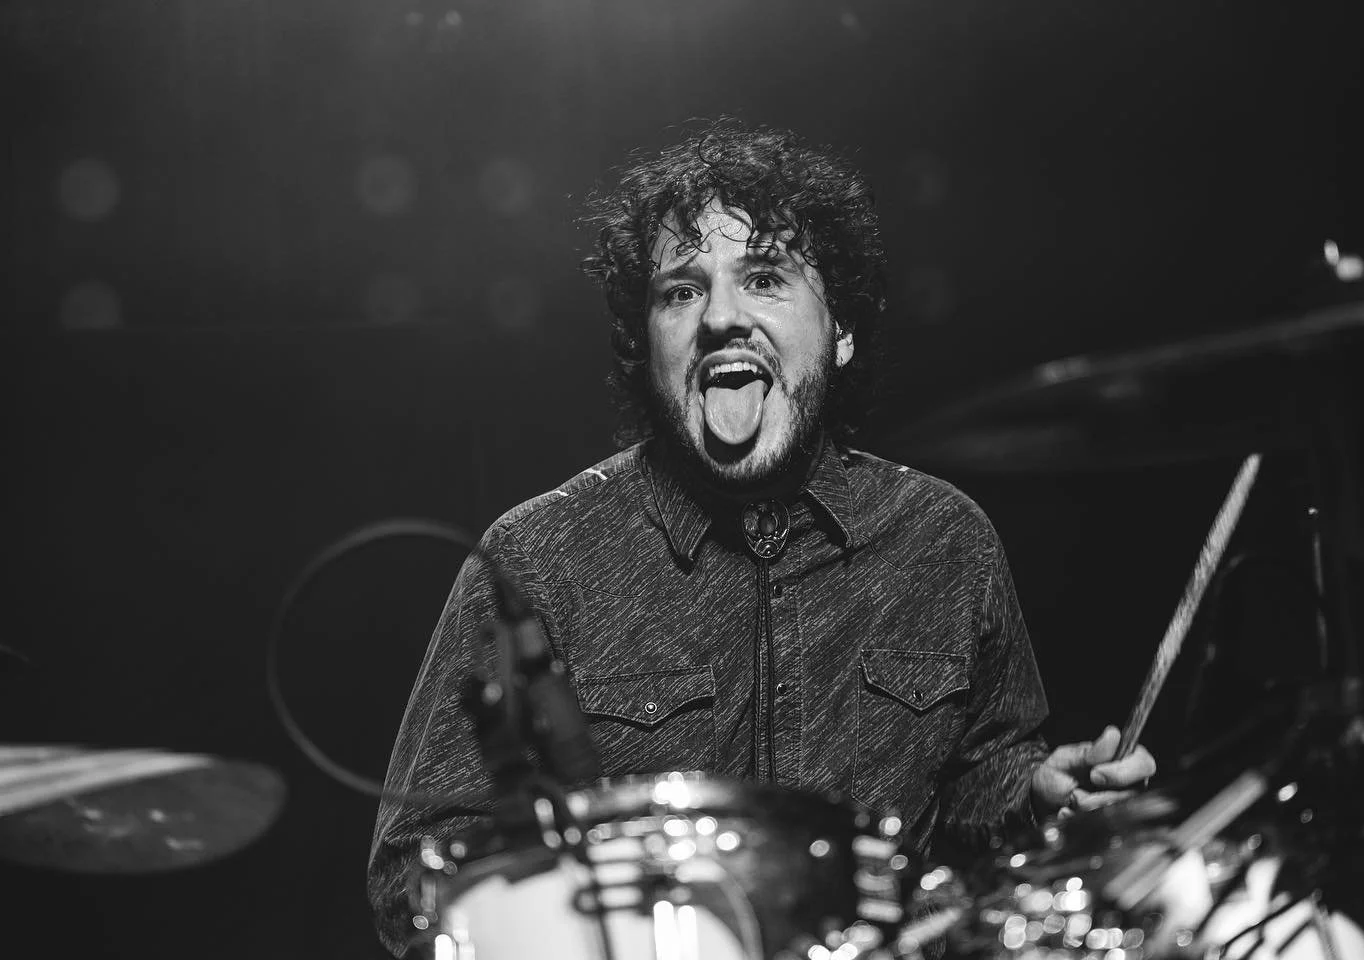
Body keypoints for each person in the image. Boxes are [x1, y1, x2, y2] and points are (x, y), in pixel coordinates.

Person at [366, 121, 1156, 957]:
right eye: (680, 291)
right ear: (647, 345)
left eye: (766, 278)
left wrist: (1039, 796)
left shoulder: (946, 542)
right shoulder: (536, 560)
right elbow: (410, 877)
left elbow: (977, 790)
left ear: (840, 331)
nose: (720, 318)